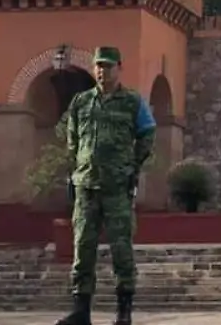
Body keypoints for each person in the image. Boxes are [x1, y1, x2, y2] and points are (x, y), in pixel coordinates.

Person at [55, 46, 157, 325]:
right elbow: (72, 138)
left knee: (121, 250)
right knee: (82, 249)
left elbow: (148, 132)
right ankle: (81, 311)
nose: (103, 71)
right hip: (86, 187)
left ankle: (124, 312)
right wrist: (77, 166)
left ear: (119, 68)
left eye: (108, 66)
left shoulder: (132, 102)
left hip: (117, 188)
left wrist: (132, 165)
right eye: (99, 65)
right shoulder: (81, 102)